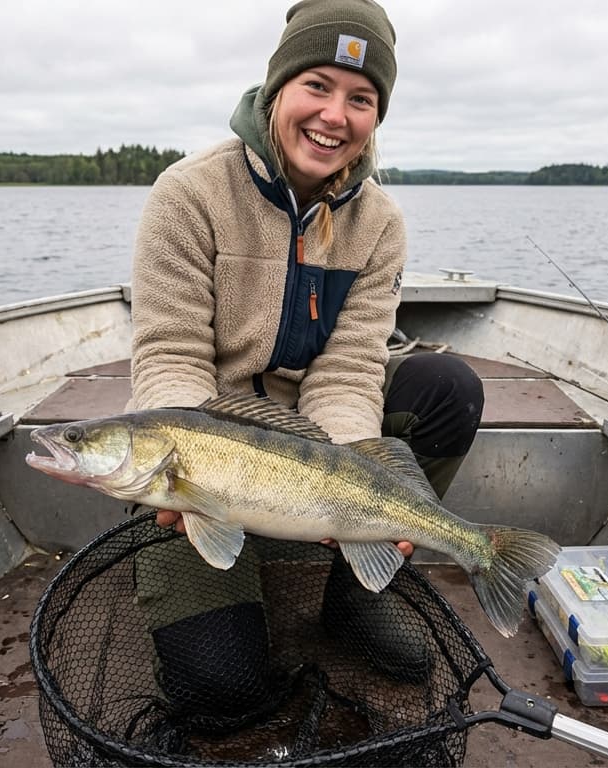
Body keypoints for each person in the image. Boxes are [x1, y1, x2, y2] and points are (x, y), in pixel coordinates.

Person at [127, 0, 484, 718]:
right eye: (316, 86)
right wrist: (194, 458)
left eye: (361, 99)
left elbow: (350, 369)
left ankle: (357, 588)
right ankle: (235, 559)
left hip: (317, 442)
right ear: (276, 88)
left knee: (446, 385)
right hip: (210, 436)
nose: (334, 115)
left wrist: (357, 475)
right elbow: (170, 354)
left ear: (376, 116)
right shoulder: (189, 194)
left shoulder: (379, 222)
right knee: (221, 689)